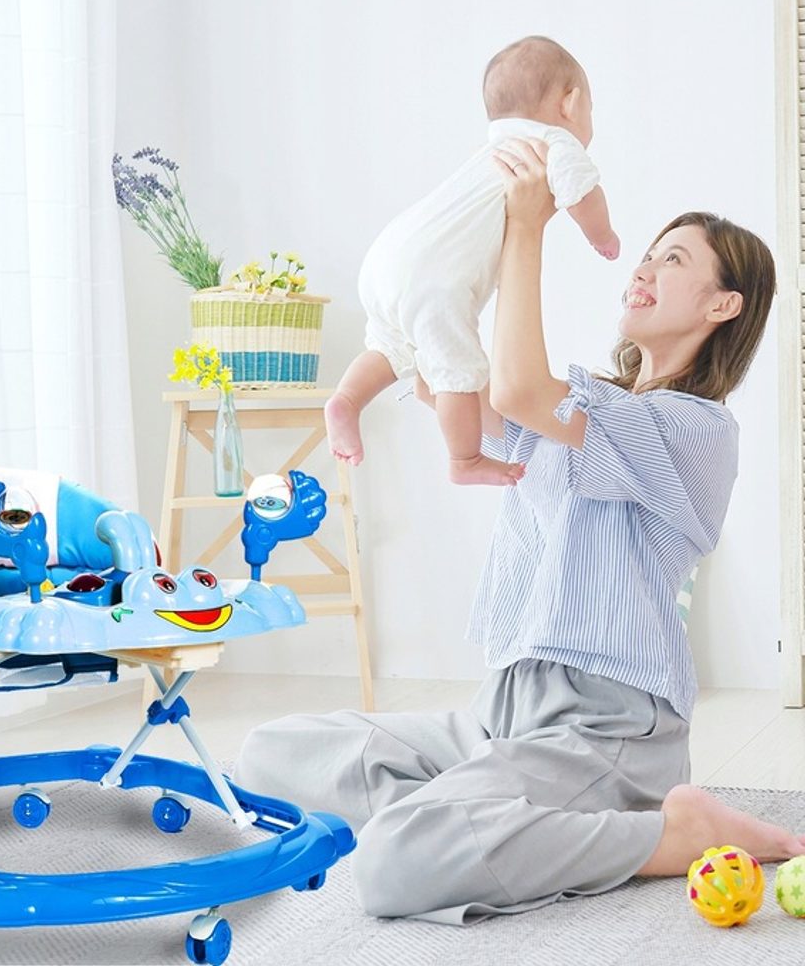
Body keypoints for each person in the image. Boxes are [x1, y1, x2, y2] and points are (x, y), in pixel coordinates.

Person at [234, 136, 800, 923]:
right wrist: (447, 263)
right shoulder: (580, 408)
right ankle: (490, 815)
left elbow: (518, 390)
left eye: (672, 260)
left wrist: (529, 227)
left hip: (606, 728)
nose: (644, 268)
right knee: (269, 755)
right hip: (499, 714)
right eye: (647, 254)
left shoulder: (695, 431)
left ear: (722, 305)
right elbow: (448, 383)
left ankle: (665, 835)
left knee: (395, 863)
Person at [324, 36, 620, 487]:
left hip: (389, 253)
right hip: (434, 283)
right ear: (571, 103)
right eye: (591, 108)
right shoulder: (555, 143)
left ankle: (346, 399)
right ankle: (464, 460)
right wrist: (603, 236)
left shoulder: (492, 149)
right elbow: (583, 195)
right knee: (458, 371)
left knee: (389, 345)